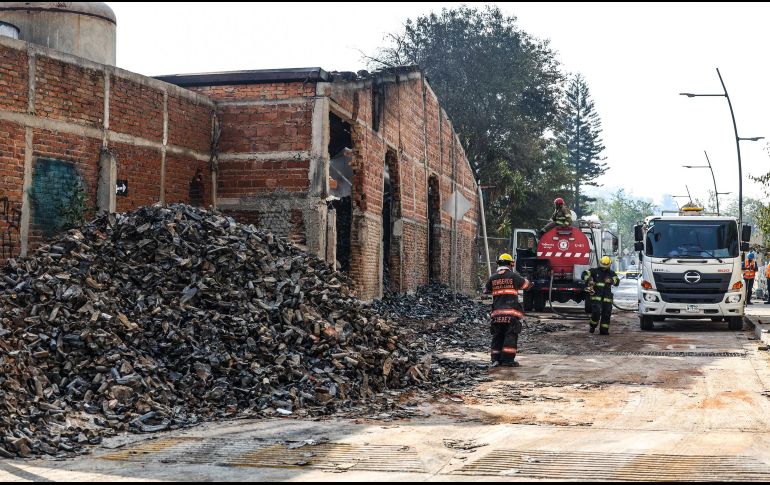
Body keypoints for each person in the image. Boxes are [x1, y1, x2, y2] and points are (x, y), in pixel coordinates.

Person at [484, 253, 532, 367]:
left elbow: (486, 290)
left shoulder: (492, 278)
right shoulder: (514, 276)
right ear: (511, 264)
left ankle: (495, 359)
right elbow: (527, 285)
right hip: (511, 315)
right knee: (510, 336)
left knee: (497, 336)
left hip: (496, 315)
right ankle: (508, 360)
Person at [582, 256, 620, 335]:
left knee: (606, 314)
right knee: (596, 312)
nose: (603, 268)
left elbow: (617, 281)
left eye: (605, 267)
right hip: (596, 297)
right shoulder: (594, 271)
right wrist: (589, 280)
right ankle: (593, 325)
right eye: (602, 266)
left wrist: (611, 280)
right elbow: (584, 274)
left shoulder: (611, 273)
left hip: (607, 298)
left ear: (609, 265)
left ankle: (604, 330)